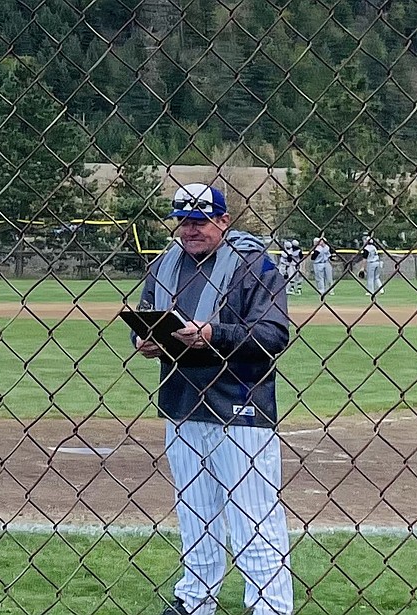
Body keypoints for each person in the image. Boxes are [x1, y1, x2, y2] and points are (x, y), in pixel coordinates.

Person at [133, 183, 293, 615]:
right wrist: (144, 338)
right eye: (184, 221)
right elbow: (148, 313)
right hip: (182, 404)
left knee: (253, 519)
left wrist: (213, 334)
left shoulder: (252, 265)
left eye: (201, 221)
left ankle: (270, 606)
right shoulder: (164, 264)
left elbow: (274, 334)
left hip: (240, 406)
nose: (191, 230)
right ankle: (194, 598)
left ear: (224, 220)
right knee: (194, 513)